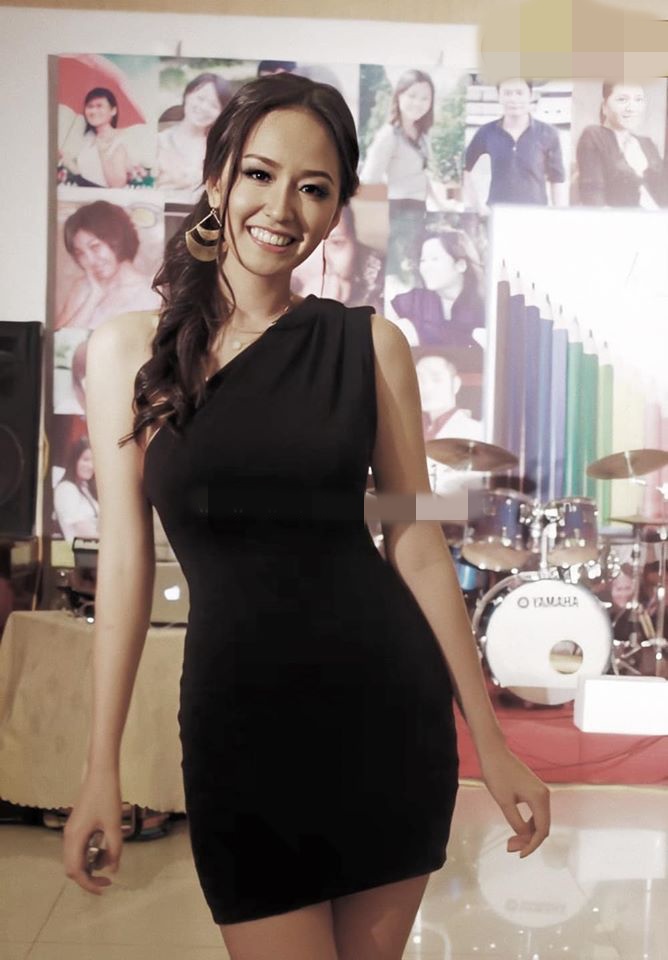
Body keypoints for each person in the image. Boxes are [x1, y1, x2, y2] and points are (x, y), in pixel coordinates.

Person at [62, 74, 549, 959]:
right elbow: (124, 564)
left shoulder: (371, 344)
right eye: (260, 175)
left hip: (385, 715)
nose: (282, 208)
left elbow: (416, 536)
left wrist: (492, 738)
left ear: (334, 214)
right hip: (239, 724)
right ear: (217, 181)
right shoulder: (128, 351)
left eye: (314, 188)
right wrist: (101, 767)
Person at [360, 68, 444, 274]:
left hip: (417, 210)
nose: (418, 103)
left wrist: (441, 205)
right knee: (401, 273)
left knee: (413, 269)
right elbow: (369, 180)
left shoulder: (422, 134)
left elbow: (422, 176)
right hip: (396, 214)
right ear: (399, 96)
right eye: (412, 95)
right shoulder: (389, 135)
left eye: (425, 98)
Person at [462, 77, 567, 210]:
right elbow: (463, 168)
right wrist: (476, 206)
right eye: (507, 93)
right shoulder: (487, 132)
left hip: (535, 213)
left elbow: (557, 179)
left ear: (530, 95)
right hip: (498, 212)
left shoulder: (548, 133)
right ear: (499, 96)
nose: (513, 99)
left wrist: (559, 214)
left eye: (519, 93)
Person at [55, 200, 161, 331]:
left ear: (117, 239)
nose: (90, 260)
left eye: (95, 247)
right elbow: (58, 340)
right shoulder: (83, 287)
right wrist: (94, 297)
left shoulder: (153, 291)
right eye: (80, 253)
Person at [575, 80, 668, 208]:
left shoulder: (647, 144)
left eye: (638, 100)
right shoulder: (594, 136)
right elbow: (592, 196)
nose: (632, 108)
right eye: (622, 99)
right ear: (604, 106)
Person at [390, 230, 485, 349]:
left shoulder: (484, 307)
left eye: (435, 259)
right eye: (423, 260)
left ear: (460, 265)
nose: (426, 267)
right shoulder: (414, 300)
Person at [292, 204, 384, 307]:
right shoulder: (280, 275)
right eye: (305, 245)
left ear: (354, 243)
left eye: (336, 243)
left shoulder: (382, 274)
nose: (321, 262)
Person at [157, 73, 233, 197]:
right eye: (200, 98)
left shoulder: (220, 149)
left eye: (213, 105)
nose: (204, 107)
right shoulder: (160, 141)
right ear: (187, 95)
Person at [73, 87, 130, 188]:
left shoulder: (119, 139)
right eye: (90, 106)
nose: (93, 111)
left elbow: (118, 184)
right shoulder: (88, 137)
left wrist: (103, 154)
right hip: (83, 194)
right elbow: (86, 174)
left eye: (99, 106)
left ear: (113, 110)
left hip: (105, 197)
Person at [53, 436, 99, 543]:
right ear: (75, 460)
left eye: (94, 461)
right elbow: (83, 531)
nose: (91, 466)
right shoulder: (66, 489)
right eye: (86, 460)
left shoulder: (85, 487)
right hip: (79, 550)